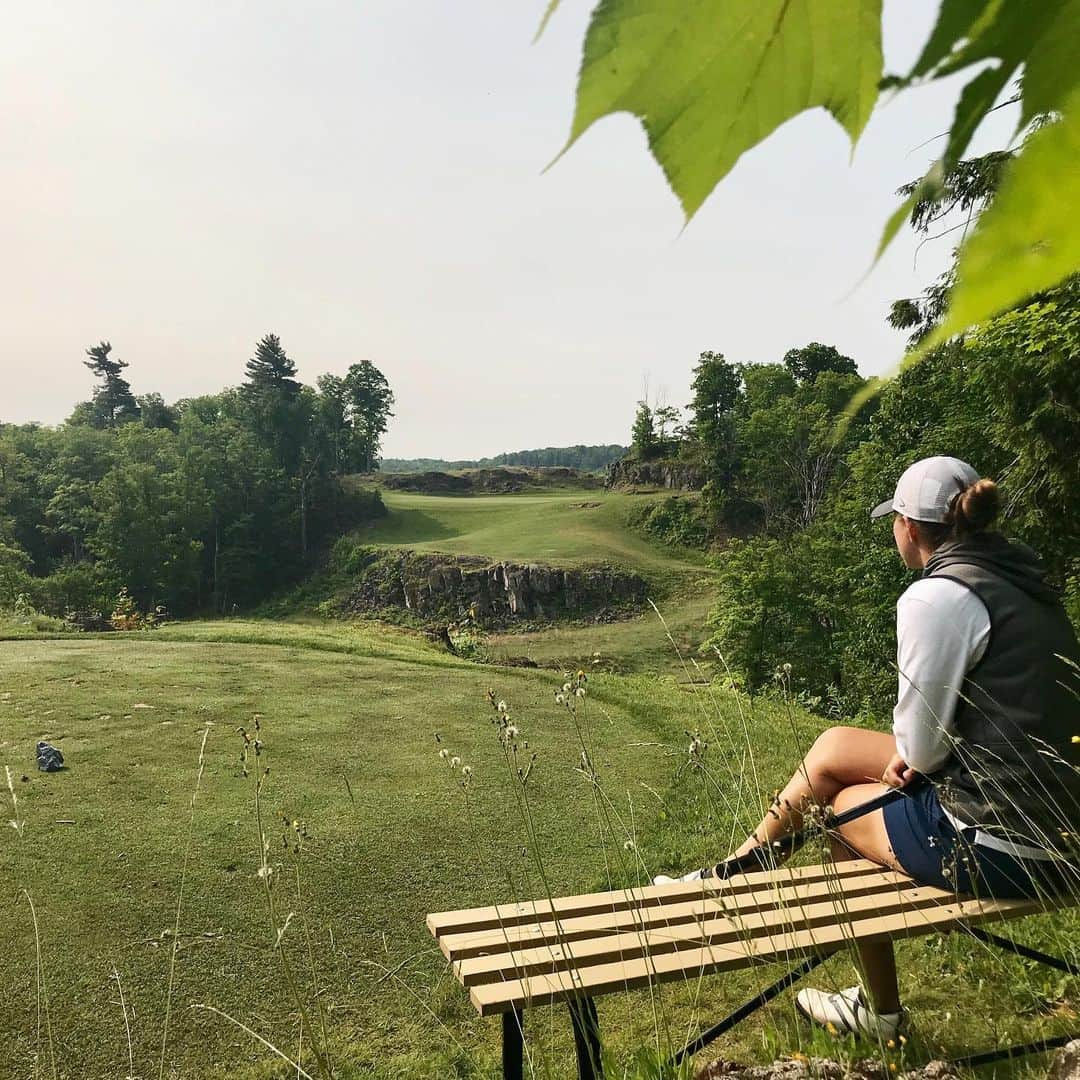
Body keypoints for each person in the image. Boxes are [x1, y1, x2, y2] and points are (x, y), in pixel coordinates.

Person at [655, 456, 1080, 1039]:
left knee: (841, 811)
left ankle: (879, 1013)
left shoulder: (938, 599)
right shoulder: (1023, 582)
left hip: (1001, 843)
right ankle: (740, 866)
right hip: (1060, 828)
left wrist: (914, 756)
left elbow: (923, 750)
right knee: (832, 748)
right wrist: (916, 753)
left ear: (908, 525)